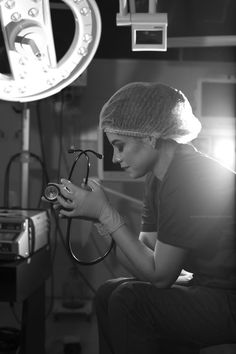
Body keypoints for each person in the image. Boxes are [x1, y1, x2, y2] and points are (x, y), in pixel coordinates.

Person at [53, 82, 236, 354]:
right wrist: (101, 220)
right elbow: (142, 258)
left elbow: (160, 276)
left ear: (150, 137)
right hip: (208, 286)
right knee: (108, 293)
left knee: (131, 301)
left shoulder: (187, 176)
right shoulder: (159, 177)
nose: (115, 157)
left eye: (120, 145)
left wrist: (106, 213)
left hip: (229, 297)